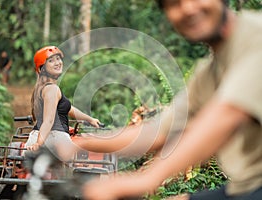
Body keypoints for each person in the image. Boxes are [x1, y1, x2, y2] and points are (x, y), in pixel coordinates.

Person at [75, 0, 262, 199]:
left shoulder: (256, 36)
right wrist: (79, 145)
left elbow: (228, 114)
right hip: (244, 187)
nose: (188, 9)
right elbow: (159, 132)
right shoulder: (207, 74)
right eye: (174, 3)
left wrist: (146, 179)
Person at [25, 46, 100, 161]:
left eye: (58, 59)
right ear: (42, 69)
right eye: (51, 61)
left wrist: (90, 119)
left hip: (37, 136)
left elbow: (69, 109)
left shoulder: (42, 88)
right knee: (85, 164)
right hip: (56, 139)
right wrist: (39, 144)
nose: (57, 63)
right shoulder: (52, 89)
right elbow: (49, 120)